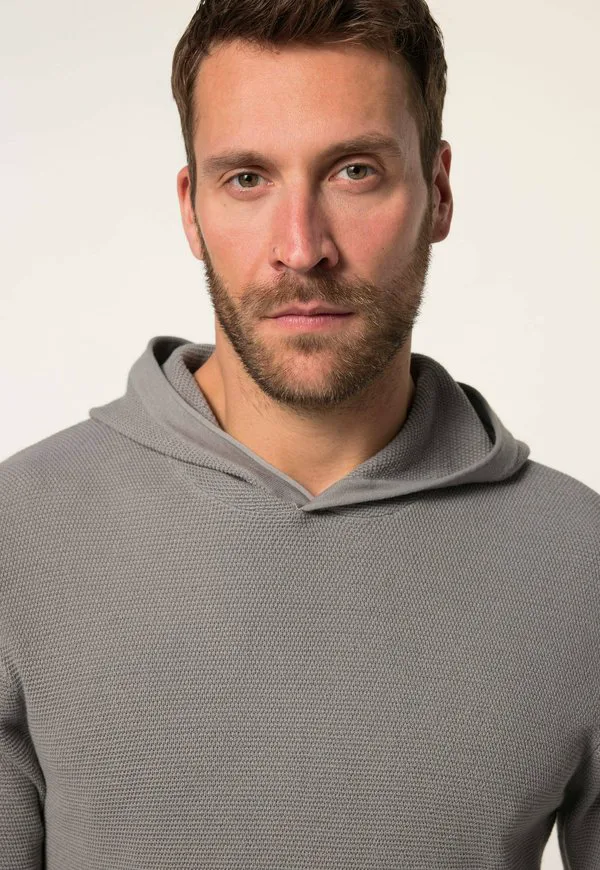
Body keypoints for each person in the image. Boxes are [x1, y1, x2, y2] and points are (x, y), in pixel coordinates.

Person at [1, 0, 599, 867]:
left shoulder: (580, 562)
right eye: (248, 178)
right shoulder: (20, 537)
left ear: (437, 191)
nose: (302, 247)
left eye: (354, 171)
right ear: (191, 208)